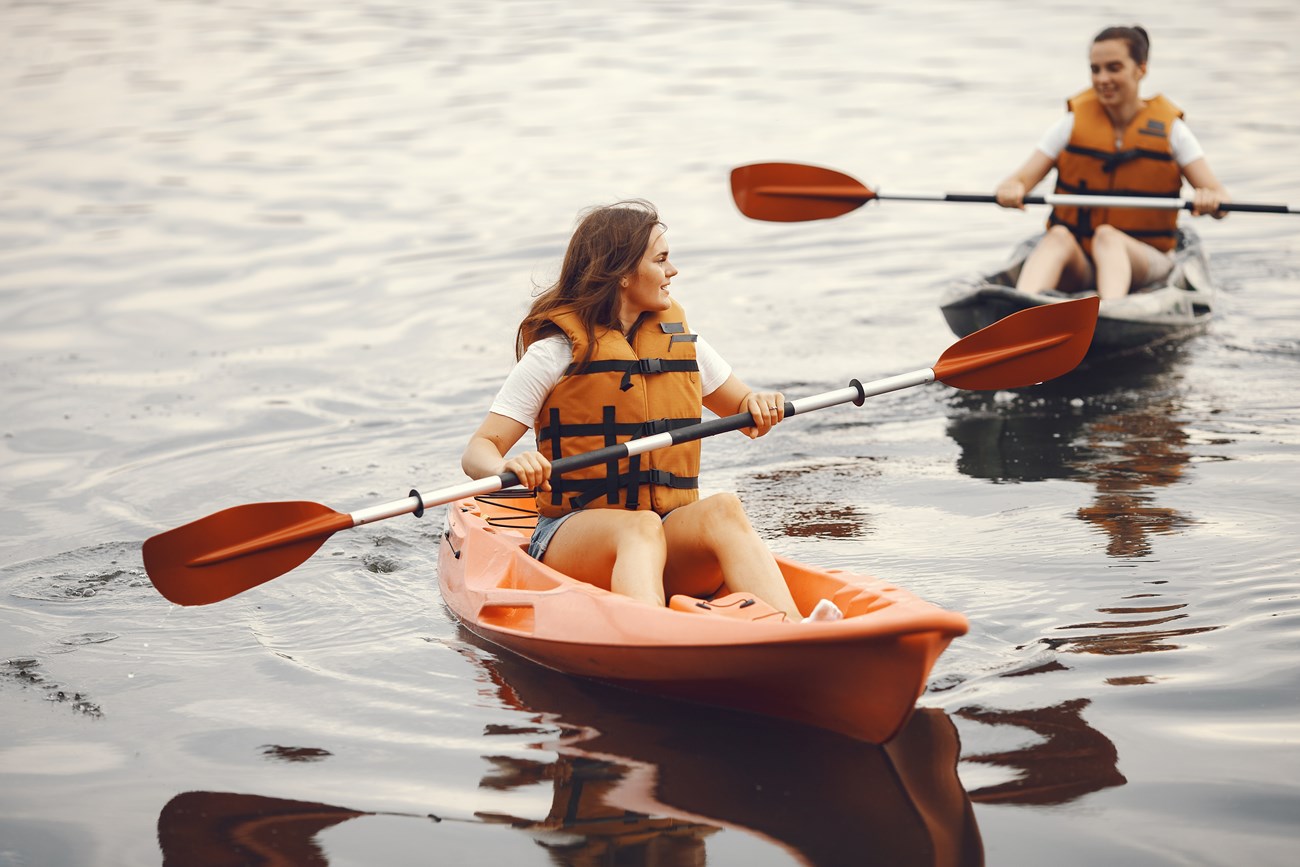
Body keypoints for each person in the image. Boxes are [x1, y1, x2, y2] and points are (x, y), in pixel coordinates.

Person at [461, 200, 840, 622]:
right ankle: (654, 631)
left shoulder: (682, 344)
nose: (672, 272)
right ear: (623, 274)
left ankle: (793, 629)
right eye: (661, 260)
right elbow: (479, 451)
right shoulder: (556, 352)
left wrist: (761, 404)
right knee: (637, 526)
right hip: (575, 538)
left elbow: (745, 410)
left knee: (722, 508)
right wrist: (513, 461)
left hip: (663, 532)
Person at [994, 25, 1229, 300]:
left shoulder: (1173, 131)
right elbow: (1019, 180)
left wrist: (1210, 198)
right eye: (1096, 69)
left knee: (1108, 236)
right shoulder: (1071, 125)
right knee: (1057, 235)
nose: (1103, 79)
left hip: (1146, 261)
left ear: (1140, 69)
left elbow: (1220, 198)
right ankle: (1019, 316)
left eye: (1114, 68)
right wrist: (1011, 189)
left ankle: (1109, 312)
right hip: (1084, 261)